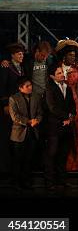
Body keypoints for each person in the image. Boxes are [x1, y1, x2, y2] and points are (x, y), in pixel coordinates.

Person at [55, 39, 78, 172]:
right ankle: (63, 165)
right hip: (61, 103)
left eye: (74, 55)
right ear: (64, 55)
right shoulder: (57, 68)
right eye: (70, 54)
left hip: (77, 103)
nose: (73, 57)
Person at [44, 64, 76, 191]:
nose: (62, 75)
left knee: (63, 155)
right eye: (59, 73)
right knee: (51, 154)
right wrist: (66, 117)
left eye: (62, 73)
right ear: (52, 76)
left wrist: (71, 116)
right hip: (55, 126)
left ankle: (62, 181)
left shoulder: (67, 87)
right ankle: (49, 182)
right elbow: (52, 108)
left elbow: (72, 104)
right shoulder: (49, 88)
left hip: (67, 126)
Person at [9, 77, 43, 189]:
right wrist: (28, 121)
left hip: (32, 132)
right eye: (27, 86)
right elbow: (15, 117)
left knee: (29, 160)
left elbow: (40, 113)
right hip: (19, 134)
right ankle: (16, 183)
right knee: (18, 160)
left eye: (30, 85)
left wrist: (37, 120)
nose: (30, 87)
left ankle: (26, 182)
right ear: (20, 88)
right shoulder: (13, 98)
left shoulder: (36, 97)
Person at [0, 43, 26, 174]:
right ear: (12, 55)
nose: (21, 56)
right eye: (19, 54)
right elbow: (3, 86)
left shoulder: (22, 68)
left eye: (22, 53)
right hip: (9, 105)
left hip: (20, 106)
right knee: (8, 137)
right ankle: (6, 170)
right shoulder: (6, 67)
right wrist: (4, 104)